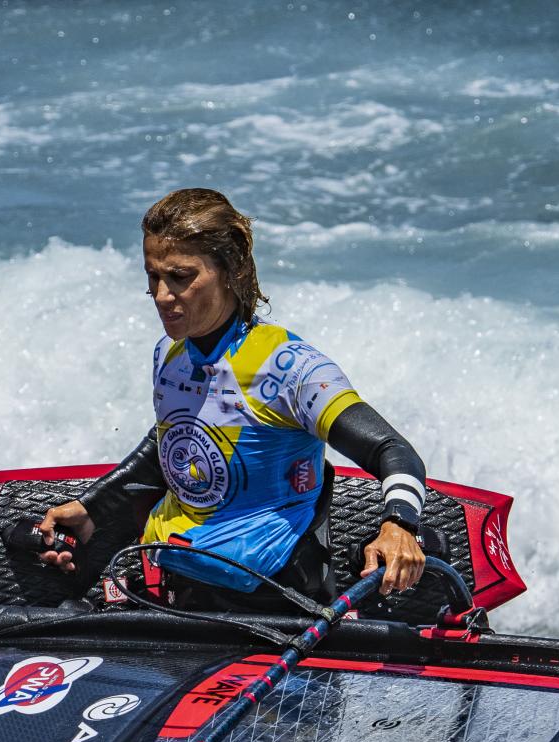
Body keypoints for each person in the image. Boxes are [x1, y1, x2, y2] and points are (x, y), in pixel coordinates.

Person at [38, 188, 428, 611]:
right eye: (153, 277)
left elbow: (393, 450)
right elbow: (172, 443)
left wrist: (399, 526)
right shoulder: (171, 355)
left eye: (181, 277)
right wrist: (91, 506)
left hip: (275, 603)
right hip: (178, 589)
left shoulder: (290, 369)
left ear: (232, 269)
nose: (164, 295)